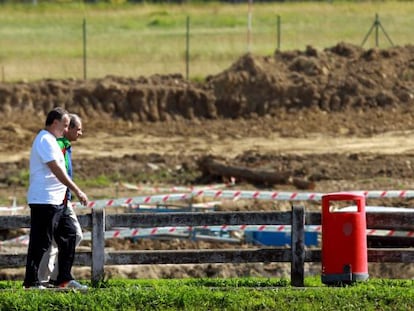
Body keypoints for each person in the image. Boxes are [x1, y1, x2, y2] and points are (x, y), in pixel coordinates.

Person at [23, 107, 88, 289]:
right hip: (45, 199)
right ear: (55, 123)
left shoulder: (52, 140)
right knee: (41, 242)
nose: (67, 130)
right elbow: (57, 170)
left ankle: (64, 279)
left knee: (71, 235)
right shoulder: (44, 139)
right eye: (65, 125)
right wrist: (77, 190)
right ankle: (32, 282)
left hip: (58, 201)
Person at [38, 114, 84, 287]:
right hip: (56, 199)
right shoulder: (58, 145)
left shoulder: (64, 145)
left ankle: (55, 278)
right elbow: (56, 172)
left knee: (70, 236)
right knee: (53, 241)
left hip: (64, 198)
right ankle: (46, 280)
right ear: (68, 128)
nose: (80, 133)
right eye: (78, 129)